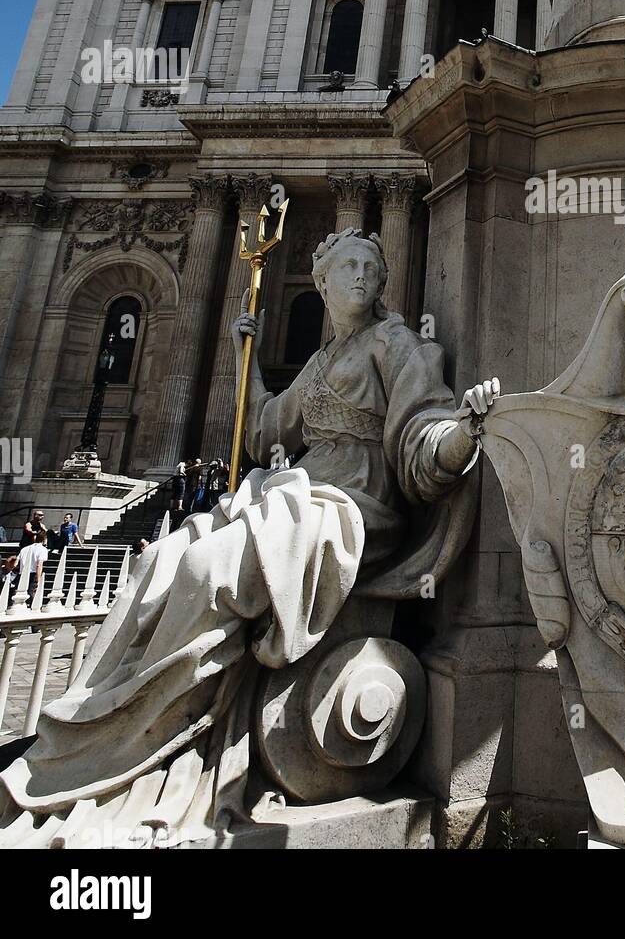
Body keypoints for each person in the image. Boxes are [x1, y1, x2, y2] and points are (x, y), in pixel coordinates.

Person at [0, 228, 501, 847]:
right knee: (159, 561)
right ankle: (112, 743)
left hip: (353, 506)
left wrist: (464, 431)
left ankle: (136, 741)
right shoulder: (319, 364)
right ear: (320, 284)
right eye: (349, 266)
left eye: (373, 267)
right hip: (297, 494)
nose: (363, 278)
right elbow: (267, 429)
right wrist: (247, 364)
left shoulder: (398, 345)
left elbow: (422, 430)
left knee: (208, 570)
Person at [16, 531, 48, 595]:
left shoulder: (24, 549)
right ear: (44, 539)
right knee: (32, 595)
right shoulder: (43, 549)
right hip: (33, 575)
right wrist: (39, 580)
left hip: (22, 574)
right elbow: (39, 565)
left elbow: (16, 563)